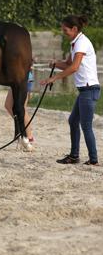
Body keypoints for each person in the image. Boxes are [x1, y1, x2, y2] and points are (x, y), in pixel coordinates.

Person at [40, 14, 100, 166]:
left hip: (89, 89)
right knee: (73, 121)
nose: (63, 32)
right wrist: (54, 63)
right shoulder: (75, 43)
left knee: (85, 125)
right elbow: (67, 63)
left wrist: (54, 78)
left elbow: (74, 67)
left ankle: (93, 160)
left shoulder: (81, 43)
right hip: (84, 90)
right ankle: (74, 156)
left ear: (74, 29)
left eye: (65, 30)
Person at [4, 69, 35, 142]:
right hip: (15, 79)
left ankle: (29, 135)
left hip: (23, 78)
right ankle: (23, 126)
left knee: (22, 108)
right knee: (8, 105)